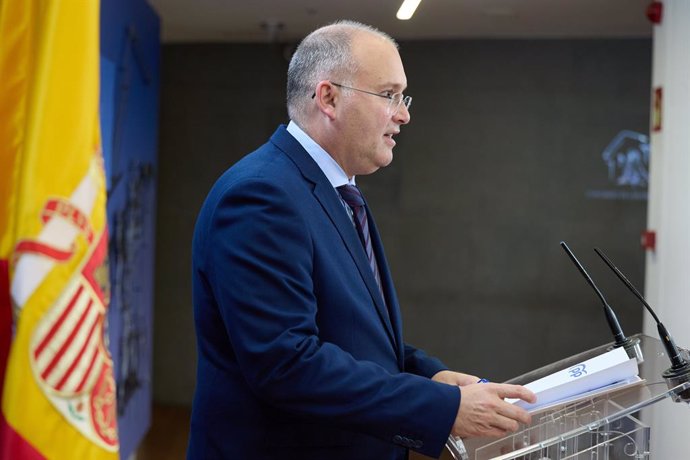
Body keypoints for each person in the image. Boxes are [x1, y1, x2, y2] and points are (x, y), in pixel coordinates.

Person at [187, 20, 536, 460]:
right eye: (389, 95)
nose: (404, 113)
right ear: (329, 97)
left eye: (402, 97)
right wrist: (442, 409)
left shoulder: (337, 192)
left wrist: (428, 377)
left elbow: (351, 334)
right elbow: (287, 364)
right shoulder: (261, 195)